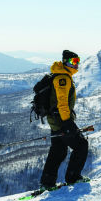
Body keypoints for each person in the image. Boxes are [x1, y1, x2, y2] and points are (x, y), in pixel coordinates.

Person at [39, 50, 89, 189]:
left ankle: (47, 182)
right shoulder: (63, 78)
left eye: (78, 61)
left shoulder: (61, 75)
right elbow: (62, 103)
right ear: (66, 62)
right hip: (61, 120)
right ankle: (73, 177)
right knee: (81, 145)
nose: (76, 64)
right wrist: (68, 123)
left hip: (55, 120)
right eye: (73, 62)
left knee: (58, 150)